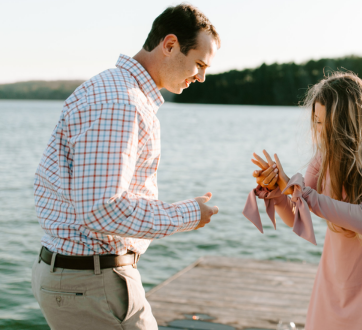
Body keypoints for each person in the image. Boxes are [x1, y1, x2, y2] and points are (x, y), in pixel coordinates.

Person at [31, 4, 220, 329]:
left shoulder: (112, 89)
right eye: (199, 64)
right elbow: (101, 210)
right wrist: (189, 214)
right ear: (170, 45)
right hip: (91, 282)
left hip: (84, 278)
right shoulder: (121, 102)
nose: (201, 77)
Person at [248, 72, 362, 329]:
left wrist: (302, 193)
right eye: (316, 121)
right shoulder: (324, 158)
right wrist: (279, 194)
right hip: (333, 285)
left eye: (328, 123)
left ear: (352, 123)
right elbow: (298, 216)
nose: (320, 130)